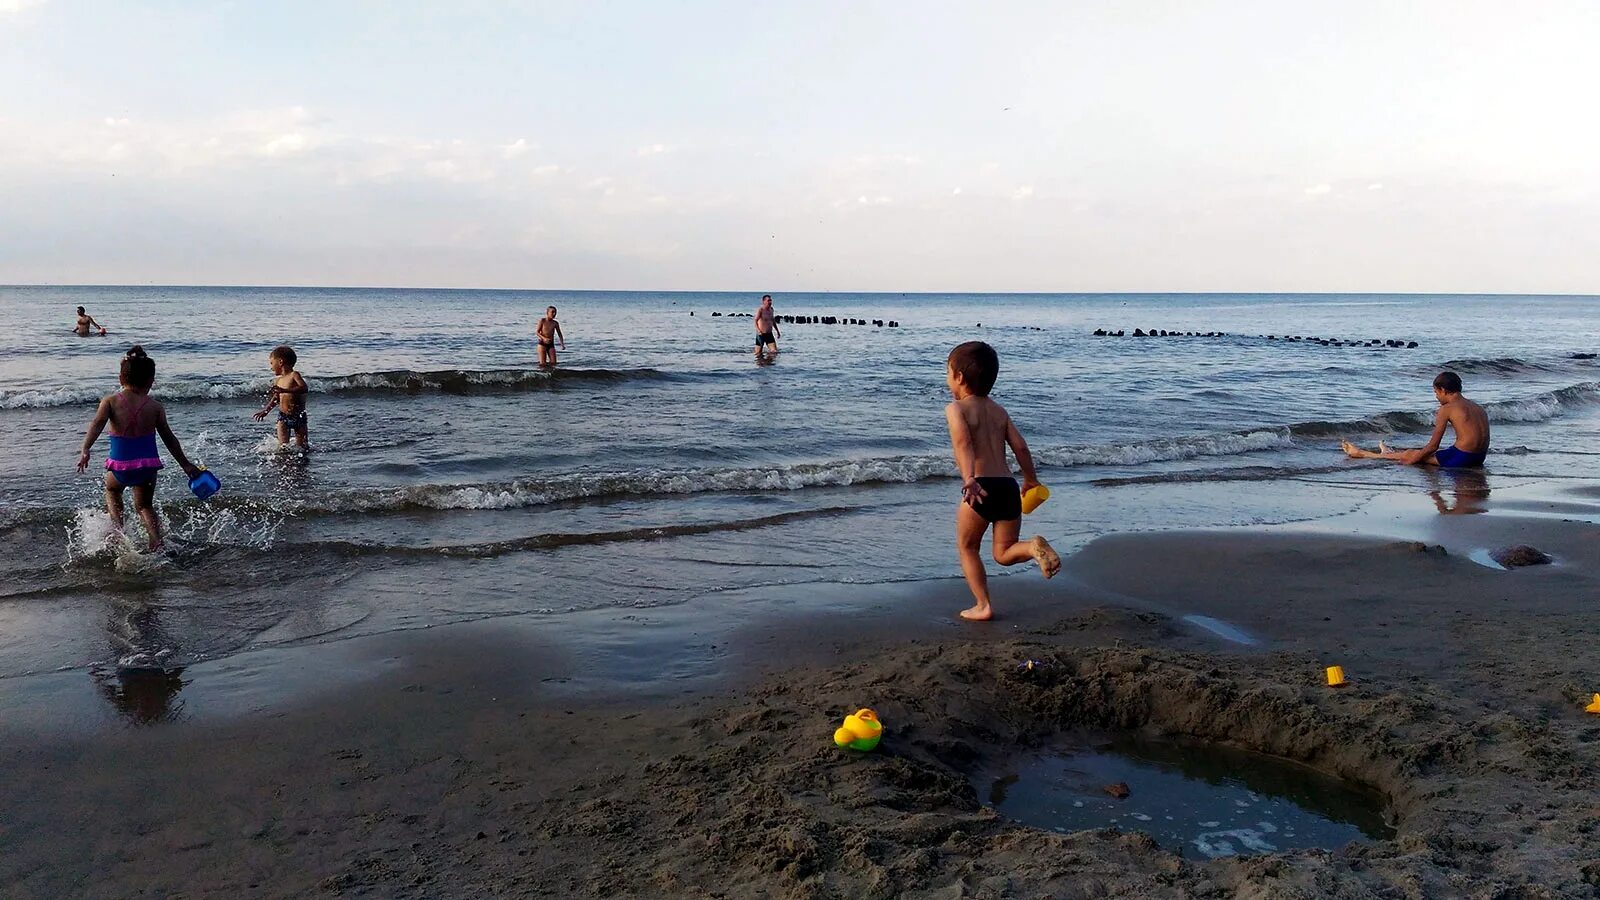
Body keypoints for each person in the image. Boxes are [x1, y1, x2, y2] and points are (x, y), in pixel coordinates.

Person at [943, 340, 1060, 621]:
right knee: (1004, 551)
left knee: (968, 547)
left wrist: (969, 478)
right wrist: (1030, 479)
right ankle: (1033, 547)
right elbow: (1021, 447)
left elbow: (963, 445)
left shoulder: (956, 410)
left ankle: (983, 605)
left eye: (947, 372)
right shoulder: (999, 411)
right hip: (1007, 487)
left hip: (980, 487)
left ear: (958, 377)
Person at [75, 346, 201, 552]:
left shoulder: (110, 401)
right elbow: (169, 438)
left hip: (120, 467)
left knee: (112, 490)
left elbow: (96, 424)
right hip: (147, 467)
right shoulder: (155, 407)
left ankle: (117, 529)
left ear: (119, 378)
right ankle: (155, 540)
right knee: (144, 506)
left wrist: (86, 449)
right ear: (151, 381)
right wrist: (185, 464)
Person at [1341, 371, 1490, 468]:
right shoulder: (1477, 407)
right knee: (1419, 452)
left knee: (1411, 454)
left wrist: (1411, 461)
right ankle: (1389, 452)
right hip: (1479, 458)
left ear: (1443, 390)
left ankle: (1363, 453)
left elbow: (1433, 446)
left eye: (1436, 392)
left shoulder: (1447, 408)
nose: (1436, 397)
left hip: (1462, 459)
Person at [252, 345, 310, 448]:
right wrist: (265, 411)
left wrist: (285, 390)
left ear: (280, 362)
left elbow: (304, 388)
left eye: (271, 363)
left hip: (299, 416)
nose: (271, 367)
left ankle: (303, 462)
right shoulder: (278, 380)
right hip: (283, 417)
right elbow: (276, 398)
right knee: (283, 446)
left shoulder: (294, 375)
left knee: (303, 447)